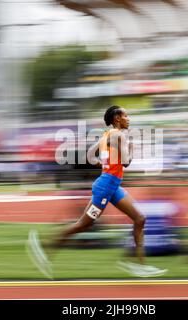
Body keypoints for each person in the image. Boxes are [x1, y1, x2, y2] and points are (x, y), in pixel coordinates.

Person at [27, 106, 167, 278]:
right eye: (125, 115)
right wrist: (131, 149)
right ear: (117, 119)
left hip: (112, 186)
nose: (128, 119)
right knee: (83, 225)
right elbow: (126, 162)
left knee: (139, 219)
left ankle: (139, 265)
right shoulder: (120, 136)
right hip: (105, 188)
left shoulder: (106, 136)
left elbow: (90, 156)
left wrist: (105, 164)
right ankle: (45, 247)